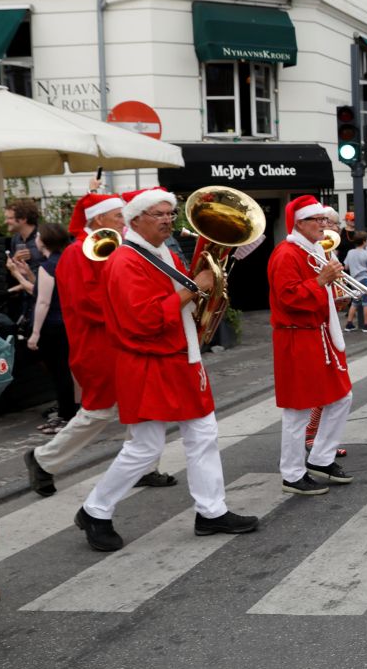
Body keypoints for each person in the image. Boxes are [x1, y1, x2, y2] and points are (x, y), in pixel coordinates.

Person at [75, 188, 258, 551]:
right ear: (136, 219)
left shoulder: (162, 252)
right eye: (158, 214)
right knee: (145, 448)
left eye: (170, 214)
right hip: (149, 363)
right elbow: (143, 319)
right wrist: (196, 288)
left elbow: (174, 300)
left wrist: (203, 288)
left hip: (177, 357)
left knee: (203, 433)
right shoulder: (125, 261)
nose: (167, 220)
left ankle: (211, 510)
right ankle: (94, 510)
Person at [23, 193, 175, 496]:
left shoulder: (113, 246)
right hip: (98, 344)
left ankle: (145, 466)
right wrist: (136, 309)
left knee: (141, 402)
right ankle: (43, 459)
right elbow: (87, 303)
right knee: (98, 411)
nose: (124, 221)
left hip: (121, 338)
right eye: (118, 215)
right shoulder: (78, 252)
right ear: (98, 219)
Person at [268, 197, 355, 497]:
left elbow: (319, 291)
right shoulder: (285, 254)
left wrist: (334, 294)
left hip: (319, 334)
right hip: (297, 338)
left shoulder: (313, 249)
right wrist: (321, 281)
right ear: (299, 223)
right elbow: (287, 298)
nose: (323, 224)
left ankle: (321, 458)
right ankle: (292, 474)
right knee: (297, 410)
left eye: (323, 219)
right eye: (316, 219)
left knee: (341, 396)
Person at [24, 223, 77, 431]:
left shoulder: (47, 266)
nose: (35, 238)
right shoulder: (65, 261)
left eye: (38, 236)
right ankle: (69, 413)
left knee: (59, 372)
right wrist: (27, 274)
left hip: (52, 327)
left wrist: (35, 333)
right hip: (68, 324)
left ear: (44, 241)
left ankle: (65, 415)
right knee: (67, 371)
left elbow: (43, 301)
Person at [341, 231, 367, 332]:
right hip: (365, 279)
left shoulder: (350, 252)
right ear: (364, 242)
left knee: (355, 302)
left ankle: (349, 324)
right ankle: (365, 325)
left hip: (354, 281)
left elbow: (346, 266)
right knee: (366, 303)